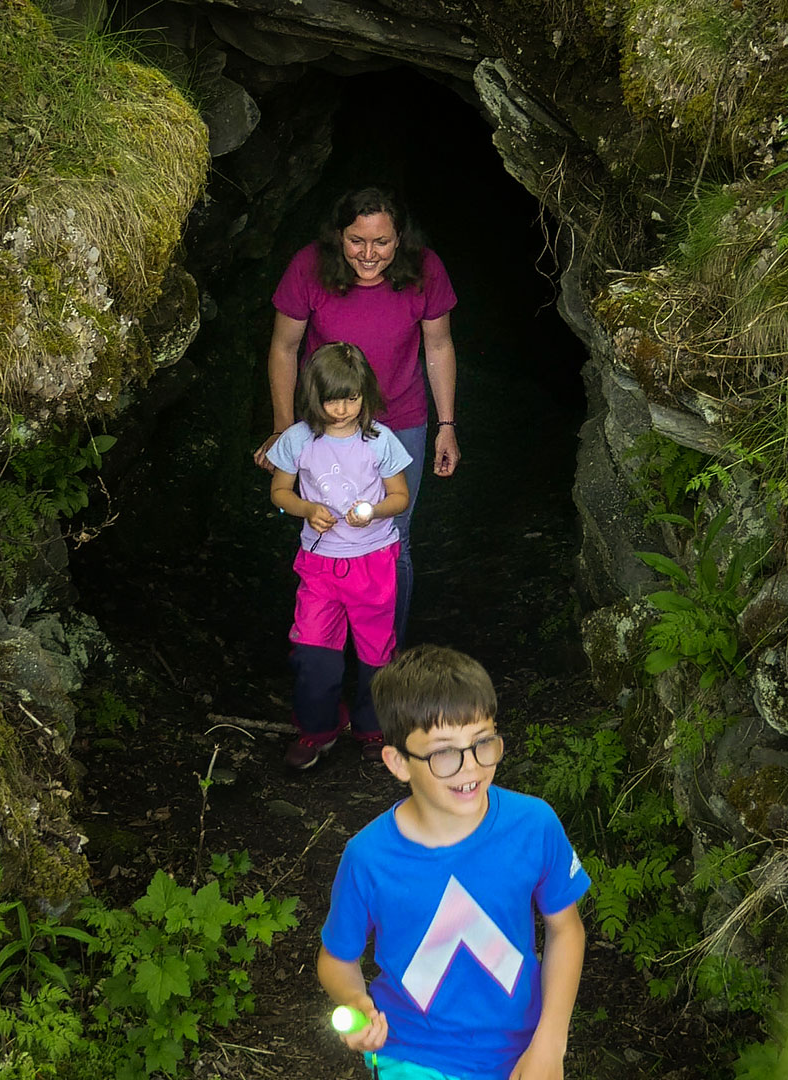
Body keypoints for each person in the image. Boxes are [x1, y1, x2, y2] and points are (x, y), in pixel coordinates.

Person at [318, 645, 590, 1080]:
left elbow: (565, 927)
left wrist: (550, 1045)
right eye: (444, 752)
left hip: (523, 1053)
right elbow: (336, 959)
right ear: (398, 763)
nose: (471, 768)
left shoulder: (533, 825)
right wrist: (355, 1002)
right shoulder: (368, 858)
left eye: (483, 742)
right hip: (412, 1055)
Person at [253, 187, 459, 649]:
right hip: (323, 424)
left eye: (381, 243)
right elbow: (284, 348)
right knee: (323, 528)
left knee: (394, 539)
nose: (368, 254)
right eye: (356, 241)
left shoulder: (425, 269)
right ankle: (324, 646)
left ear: (400, 239)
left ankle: (385, 656)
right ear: (338, 237)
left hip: (400, 419)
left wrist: (446, 425)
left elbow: (439, 345)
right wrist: (284, 430)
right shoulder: (309, 266)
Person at [266, 343, 413, 769]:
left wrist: (374, 511)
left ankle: (373, 727)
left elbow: (400, 497)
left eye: (352, 398)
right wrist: (307, 509)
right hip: (319, 562)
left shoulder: (380, 440)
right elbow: (279, 492)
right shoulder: (297, 439)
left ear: (364, 393)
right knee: (313, 649)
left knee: (375, 652)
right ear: (314, 396)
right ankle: (317, 730)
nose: (343, 409)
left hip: (374, 560)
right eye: (332, 399)